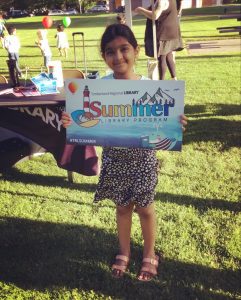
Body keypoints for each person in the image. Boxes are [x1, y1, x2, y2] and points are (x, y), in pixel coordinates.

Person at [62, 24, 188, 281]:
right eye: (110, 51)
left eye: (124, 49)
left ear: (136, 51)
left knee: (145, 209)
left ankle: (150, 253)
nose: (118, 57)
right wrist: (71, 121)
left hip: (143, 160)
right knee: (121, 208)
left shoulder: (149, 87)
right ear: (103, 57)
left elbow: (162, 122)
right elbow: (88, 117)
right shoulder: (98, 87)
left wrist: (175, 122)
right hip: (114, 159)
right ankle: (124, 251)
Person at [134, 0, 183, 80]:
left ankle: (161, 81)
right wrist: (144, 9)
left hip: (164, 34)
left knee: (161, 57)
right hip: (171, 32)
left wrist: (141, 10)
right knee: (169, 55)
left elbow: (155, 15)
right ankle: (174, 78)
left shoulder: (161, 1)